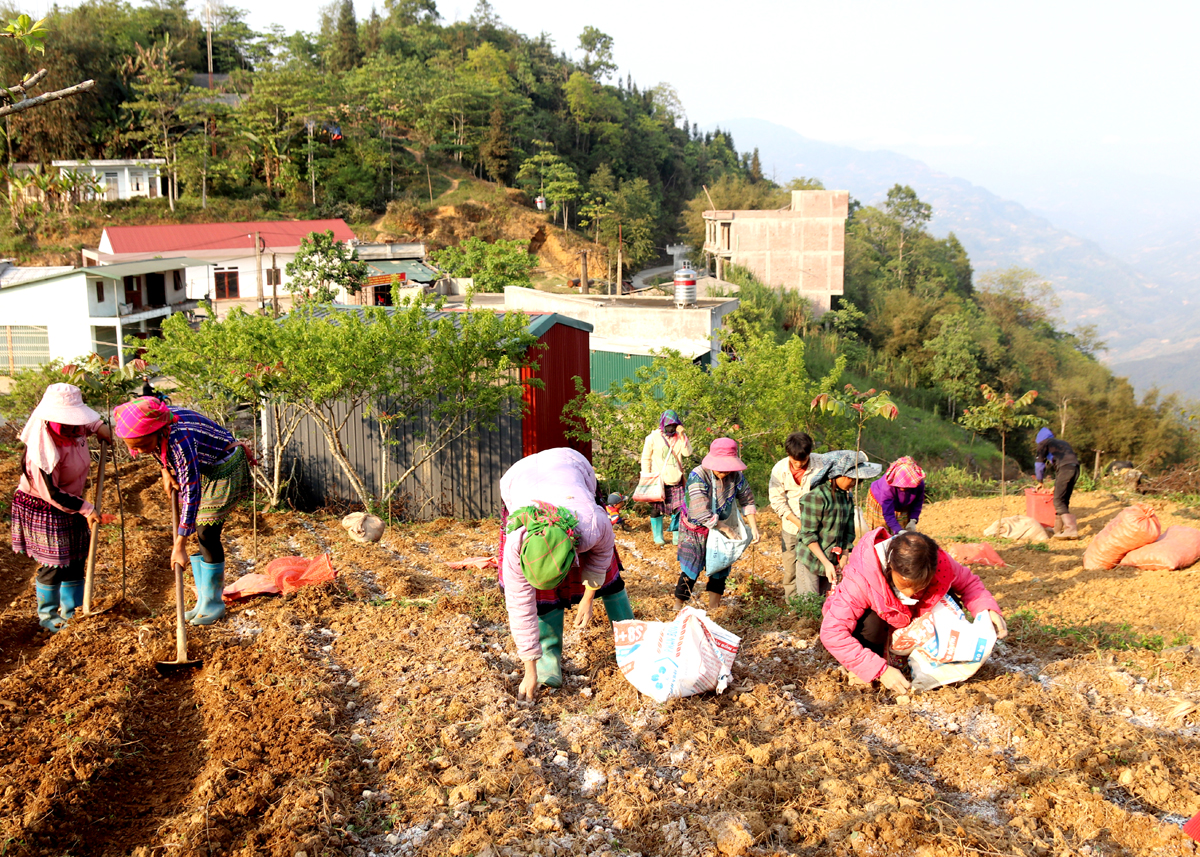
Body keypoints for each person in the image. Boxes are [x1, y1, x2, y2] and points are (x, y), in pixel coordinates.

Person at [498, 448, 635, 702]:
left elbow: (601, 559)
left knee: (610, 575)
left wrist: (588, 597)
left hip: (572, 467)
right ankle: (548, 661)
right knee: (541, 598)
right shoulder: (516, 545)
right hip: (519, 479)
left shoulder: (593, 524)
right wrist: (530, 669)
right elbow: (520, 607)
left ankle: (633, 645)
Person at [112, 397, 251, 626]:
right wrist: (165, 470)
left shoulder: (180, 441)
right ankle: (203, 602)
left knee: (206, 532)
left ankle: (214, 603)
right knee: (202, 531)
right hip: (207, 465)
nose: (139, 451)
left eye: (142, 445)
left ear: (158, 431)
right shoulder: (159, 425)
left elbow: (191, 494)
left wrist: (179, 545)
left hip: (225, 465)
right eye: (133, 447)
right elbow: (158, 450)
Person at [820, 529, 1008, 693]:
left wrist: (987, 609)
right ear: (890, 568)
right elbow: (832, 632)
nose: (911, 593)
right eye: (904, 585)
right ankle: (871, 662)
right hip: (880, 627)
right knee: (870, 623)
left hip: (909, 623)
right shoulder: (863, 576)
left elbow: (969, 584)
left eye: (920, 586)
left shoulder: (941, 565)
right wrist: (880, 670)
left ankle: (923, 660)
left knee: (948, 596)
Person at [11, 384, 112, 632]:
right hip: (44, 504)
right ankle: (47, 616)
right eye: (64, 422)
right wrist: (87, 509)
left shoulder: (76, 427)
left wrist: (99, 427)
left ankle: (73, 612)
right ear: (49, 418)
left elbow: (87, 424)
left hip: (72, 500)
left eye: (74, 421)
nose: (71, 426)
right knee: (55, 563)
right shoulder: (41, 451)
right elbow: (52, 493)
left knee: (76, 557)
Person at [675, 438, 761, 610]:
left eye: (728, 468)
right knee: (691, 568)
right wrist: (726, 528)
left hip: (721, 526)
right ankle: (677, 607)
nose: (724, 472)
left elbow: (747, 500)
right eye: (721, 468)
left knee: (720, 567)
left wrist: (753, 527)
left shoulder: (736, 476)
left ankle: (713, 609)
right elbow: (699, 511)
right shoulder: (698, 475)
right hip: (696, 529)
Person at [795, 451, 882, 596]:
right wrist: (826, 563)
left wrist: (845, 556)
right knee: (809, 605)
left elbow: (848, 532)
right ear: (836, 475)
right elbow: (808, 535)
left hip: (831, 560)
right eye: (851, 478)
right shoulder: (816, 497)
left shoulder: (847, 497)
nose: (854, 482)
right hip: (811, 560)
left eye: (857, 479)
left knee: (827, 604)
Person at [768, 432, 831, 599]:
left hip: (819, 527)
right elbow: (777, 501)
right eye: (794, 461)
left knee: (818, 565)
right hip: (791, 527)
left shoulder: (822, 464)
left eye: (802, 461)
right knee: (791, 570)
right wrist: (798, 523)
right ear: (788, 454)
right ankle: (793, 607)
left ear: (809, 453)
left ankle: (818, 604)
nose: (798, 464)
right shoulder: (779, 470)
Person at [639, 410, 692, 545]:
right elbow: (645, 458)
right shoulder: (652, 438)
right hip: (659, 481)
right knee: (657, 509)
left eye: (674, 425)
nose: (671, 428)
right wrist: (646, 477)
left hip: (676, 480)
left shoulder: (679, 437)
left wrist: (682, 434)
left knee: (678, 509)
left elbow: (687, 453)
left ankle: (676, 537)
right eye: (669, 425)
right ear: (663, 424)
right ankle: (658, 537)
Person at [1035, 427, 1080, 539]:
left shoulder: (1043, 444)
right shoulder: (1062, 443)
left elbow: (1039, 465)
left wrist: (1040, 481)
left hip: (1065, 469)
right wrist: (1056, 485)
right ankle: (1057, 529)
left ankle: (1071, 530)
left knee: (1058, 500)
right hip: (1075, 469)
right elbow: (1065, 462)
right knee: (1063, 498)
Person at [863, 456, 926, 536]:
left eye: (906, 486)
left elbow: (918, 502)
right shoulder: (887, 487)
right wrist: (898, 530)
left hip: (903, 504)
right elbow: (888, 513)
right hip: (879, 500)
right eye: (900, 486)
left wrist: (913, 519)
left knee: (904, 532)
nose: (903, 488)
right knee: (882, 533)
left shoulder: (919, 484)